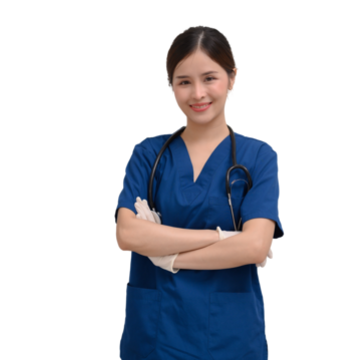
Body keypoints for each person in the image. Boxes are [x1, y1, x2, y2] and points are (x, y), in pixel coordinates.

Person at [115, 24, 283, 359]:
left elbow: (254, 245)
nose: (198, 93)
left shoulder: (258, 156)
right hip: (155, 332)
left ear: (232, 78)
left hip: (229, 335)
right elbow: (127, 235)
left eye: (209, 78)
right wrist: (222, 239)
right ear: (171, 86)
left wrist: (167, 254)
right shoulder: (148, 153)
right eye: (184, 82)